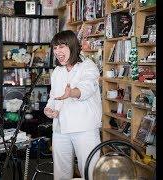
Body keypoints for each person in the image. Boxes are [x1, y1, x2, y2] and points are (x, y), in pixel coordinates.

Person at [44, 30, 102, 180]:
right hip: (60, 129)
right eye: (55, 48)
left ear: (72, 46)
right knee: (61, 173)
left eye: (61, 47)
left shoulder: (88, 66)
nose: (57, 51)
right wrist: (48, 109)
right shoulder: (57, 71)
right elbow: (53, 97)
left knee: (89, 172)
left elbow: (87, 88)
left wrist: (71, 93)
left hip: (85, 129)